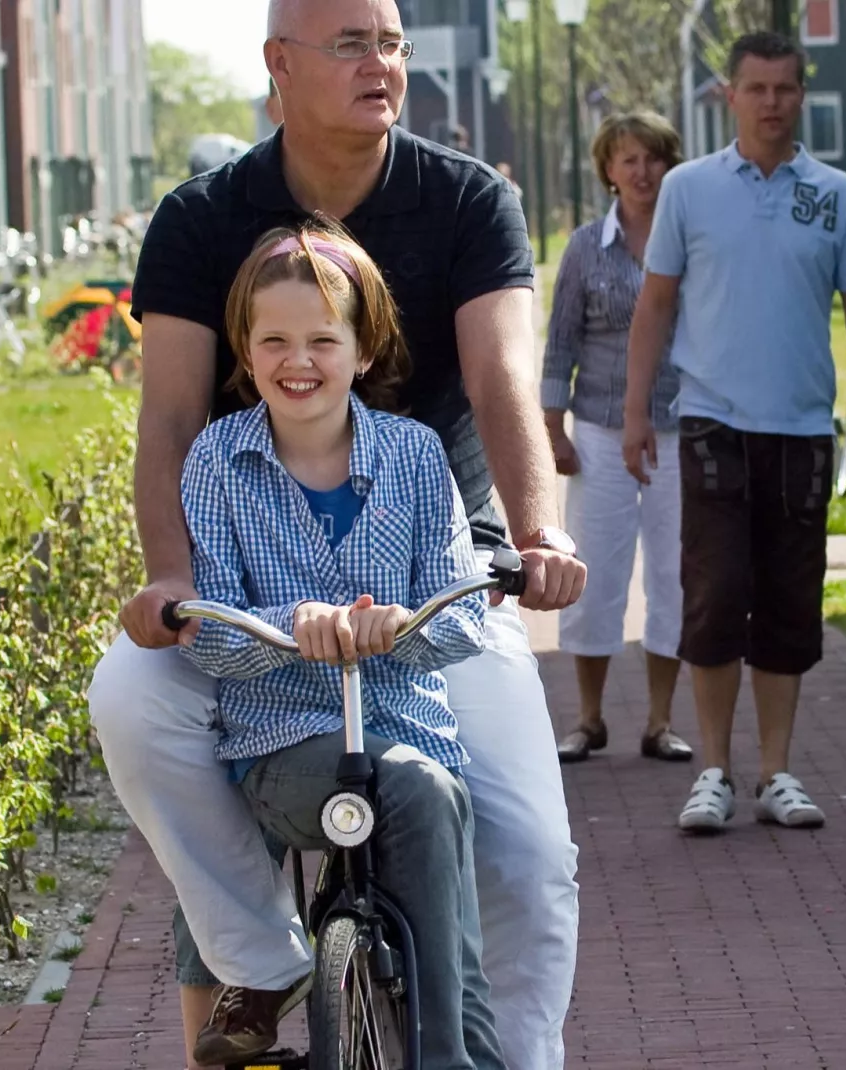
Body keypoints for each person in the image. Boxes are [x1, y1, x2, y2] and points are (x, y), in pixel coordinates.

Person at [85, 0, 587, 1065]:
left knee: (535, 853)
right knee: (128, 695)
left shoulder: (467, 199)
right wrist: (170, 580)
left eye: (394, 42)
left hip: (434, 582)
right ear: (279, 63)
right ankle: (258, 962)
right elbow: (169, 417)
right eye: (352, 42)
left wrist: (537, 536)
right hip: (248, 579)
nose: (384, 64)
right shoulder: (201, 215)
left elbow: (501, 380)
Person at [180, 224, 502, 1067]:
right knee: (416, 795)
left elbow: (466, 616)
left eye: (324, 339)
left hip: (406, 728)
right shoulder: (217, 460)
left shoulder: (415, 455)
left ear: (364, 350)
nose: (300, 361)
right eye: (275, 340)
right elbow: (207, 627)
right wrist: (295, 624)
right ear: (247, 354)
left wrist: (401, 622)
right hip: (280, 747)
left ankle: (459, 1052)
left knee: (455, 953)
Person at [621, 32, 846, 833]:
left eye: (786, 88)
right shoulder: (689, 190)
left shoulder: (837, 195)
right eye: (758, 89)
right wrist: (638, 411)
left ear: (801, 94)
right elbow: (657, 304)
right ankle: (713, 768)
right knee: (714, 596)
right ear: (730, 96)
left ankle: (776, 769)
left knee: (787, 601)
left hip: (803, 427)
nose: (773, 103)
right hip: (712, 423)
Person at [543, 111, 691, 764]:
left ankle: (661, 720)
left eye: (653, 158)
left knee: (674, 573)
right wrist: (552, 424)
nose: (641, 171)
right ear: (607, 169)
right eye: (627, 159)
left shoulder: (690, 237)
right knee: (595, 568)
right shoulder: (584, 247)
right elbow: (562, 338)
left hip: (678, 426)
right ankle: (589, 718)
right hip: (600, 427)